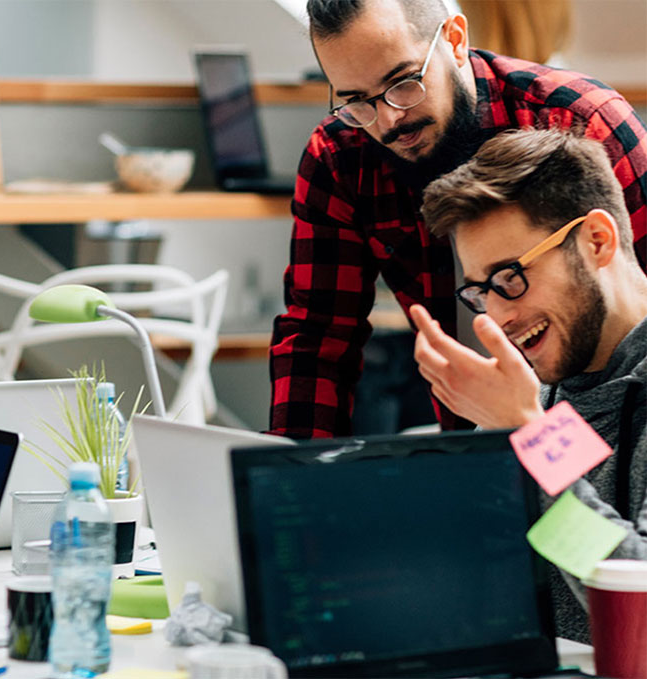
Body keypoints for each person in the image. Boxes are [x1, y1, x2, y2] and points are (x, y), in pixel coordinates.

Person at [269, 0, 646, 438]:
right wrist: (286, 487)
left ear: (455, 40)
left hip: (609, 426)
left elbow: (592, 503)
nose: (389, 119)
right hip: (497, 437)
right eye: (356, 101)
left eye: (403, 83)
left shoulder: (575, 119)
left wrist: (530, 430)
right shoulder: (342, 155)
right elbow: (317, 340)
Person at [410, 128, 646, 642]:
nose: (496, 318)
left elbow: (639, 617)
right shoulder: (534, 389)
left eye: (510, 278)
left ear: (597, 242)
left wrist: (529, 435)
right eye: (479, 292)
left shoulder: (525, 410)